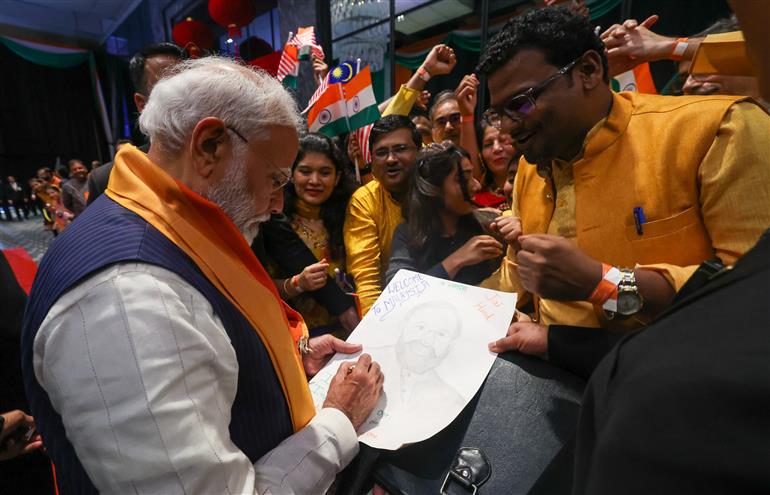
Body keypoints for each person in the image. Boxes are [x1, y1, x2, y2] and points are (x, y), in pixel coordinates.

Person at [22, 57, 383, 494]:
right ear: (210, 146)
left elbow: (206, 340)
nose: (276, 205)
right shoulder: (124, 298)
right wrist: (339, 420)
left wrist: (290, 357)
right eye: (275, 180)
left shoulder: (172, 225)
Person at [476, 5, 770, 330]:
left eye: (520, 103)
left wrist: (605, 284)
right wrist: (455, 306)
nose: (507, 127)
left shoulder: (718, 130)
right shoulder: (530, 169)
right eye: (497, 114)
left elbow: (755, 293)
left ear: (588, 71)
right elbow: (515, 276)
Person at [257, 133, 359, 337]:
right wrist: (297, 283)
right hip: (301, 341)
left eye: (325, 172)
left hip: (352, 334)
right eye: (305, 171)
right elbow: (260, 290)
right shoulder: (270, 223)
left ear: (337, 178)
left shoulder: (351, 218)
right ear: (291, 174)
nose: (314, 181)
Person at [386, 143, 503, 285]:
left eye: (473, 176)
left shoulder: (490, 225)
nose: (476, 186)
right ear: (433, 189)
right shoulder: (408, 234)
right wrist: (456, 260)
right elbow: (399, 292)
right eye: (464, 179)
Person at [344, 115, 422, 315]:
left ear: (420, 152)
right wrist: (375, 326)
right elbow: (366, 278)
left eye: (400, 149)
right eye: (381, 152)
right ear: (371, 160)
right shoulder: (364, 202)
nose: (391, 159)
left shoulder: (440, 188)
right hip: (390, 310)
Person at [87, 43, 182, 205]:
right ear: (142, 104)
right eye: (168, 89)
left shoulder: (221, 160)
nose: (183, 97)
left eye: (190, 86)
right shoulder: (108, 179)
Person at [473, 120, 517, 209]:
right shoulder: (474, 203)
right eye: (488, 144)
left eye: (504, 141)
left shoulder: (537, 186)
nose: (496, 148)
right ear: (480, 156)